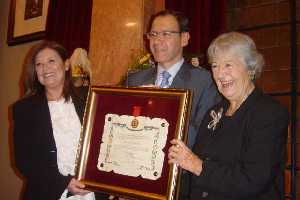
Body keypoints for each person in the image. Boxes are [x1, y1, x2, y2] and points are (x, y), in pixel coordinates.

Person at [168, 32, 289, 200]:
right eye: (215, 66)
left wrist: (198, 166)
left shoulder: (269, 113)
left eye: (228, 65)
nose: (220, 74)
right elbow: (193, 176)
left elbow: (253, 180)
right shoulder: (214, 112)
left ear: (250, 67)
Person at [126, 9, 220, 200]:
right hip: (137, 179)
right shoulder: (134, 80)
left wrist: (160, 109)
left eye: (166, 34)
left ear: (185, 38)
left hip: (181, 183)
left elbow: (204, 135)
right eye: (153, 34)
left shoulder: (204, 81)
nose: (157, 40)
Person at [12, 41, 102, 200]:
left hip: (93, 193)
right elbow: (24, 161)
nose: (45, 68)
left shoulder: (90, 98)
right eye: (39, 64)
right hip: (48, 193)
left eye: (51, 61)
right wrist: (64, 183)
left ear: (66, 65)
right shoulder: (24, 109)